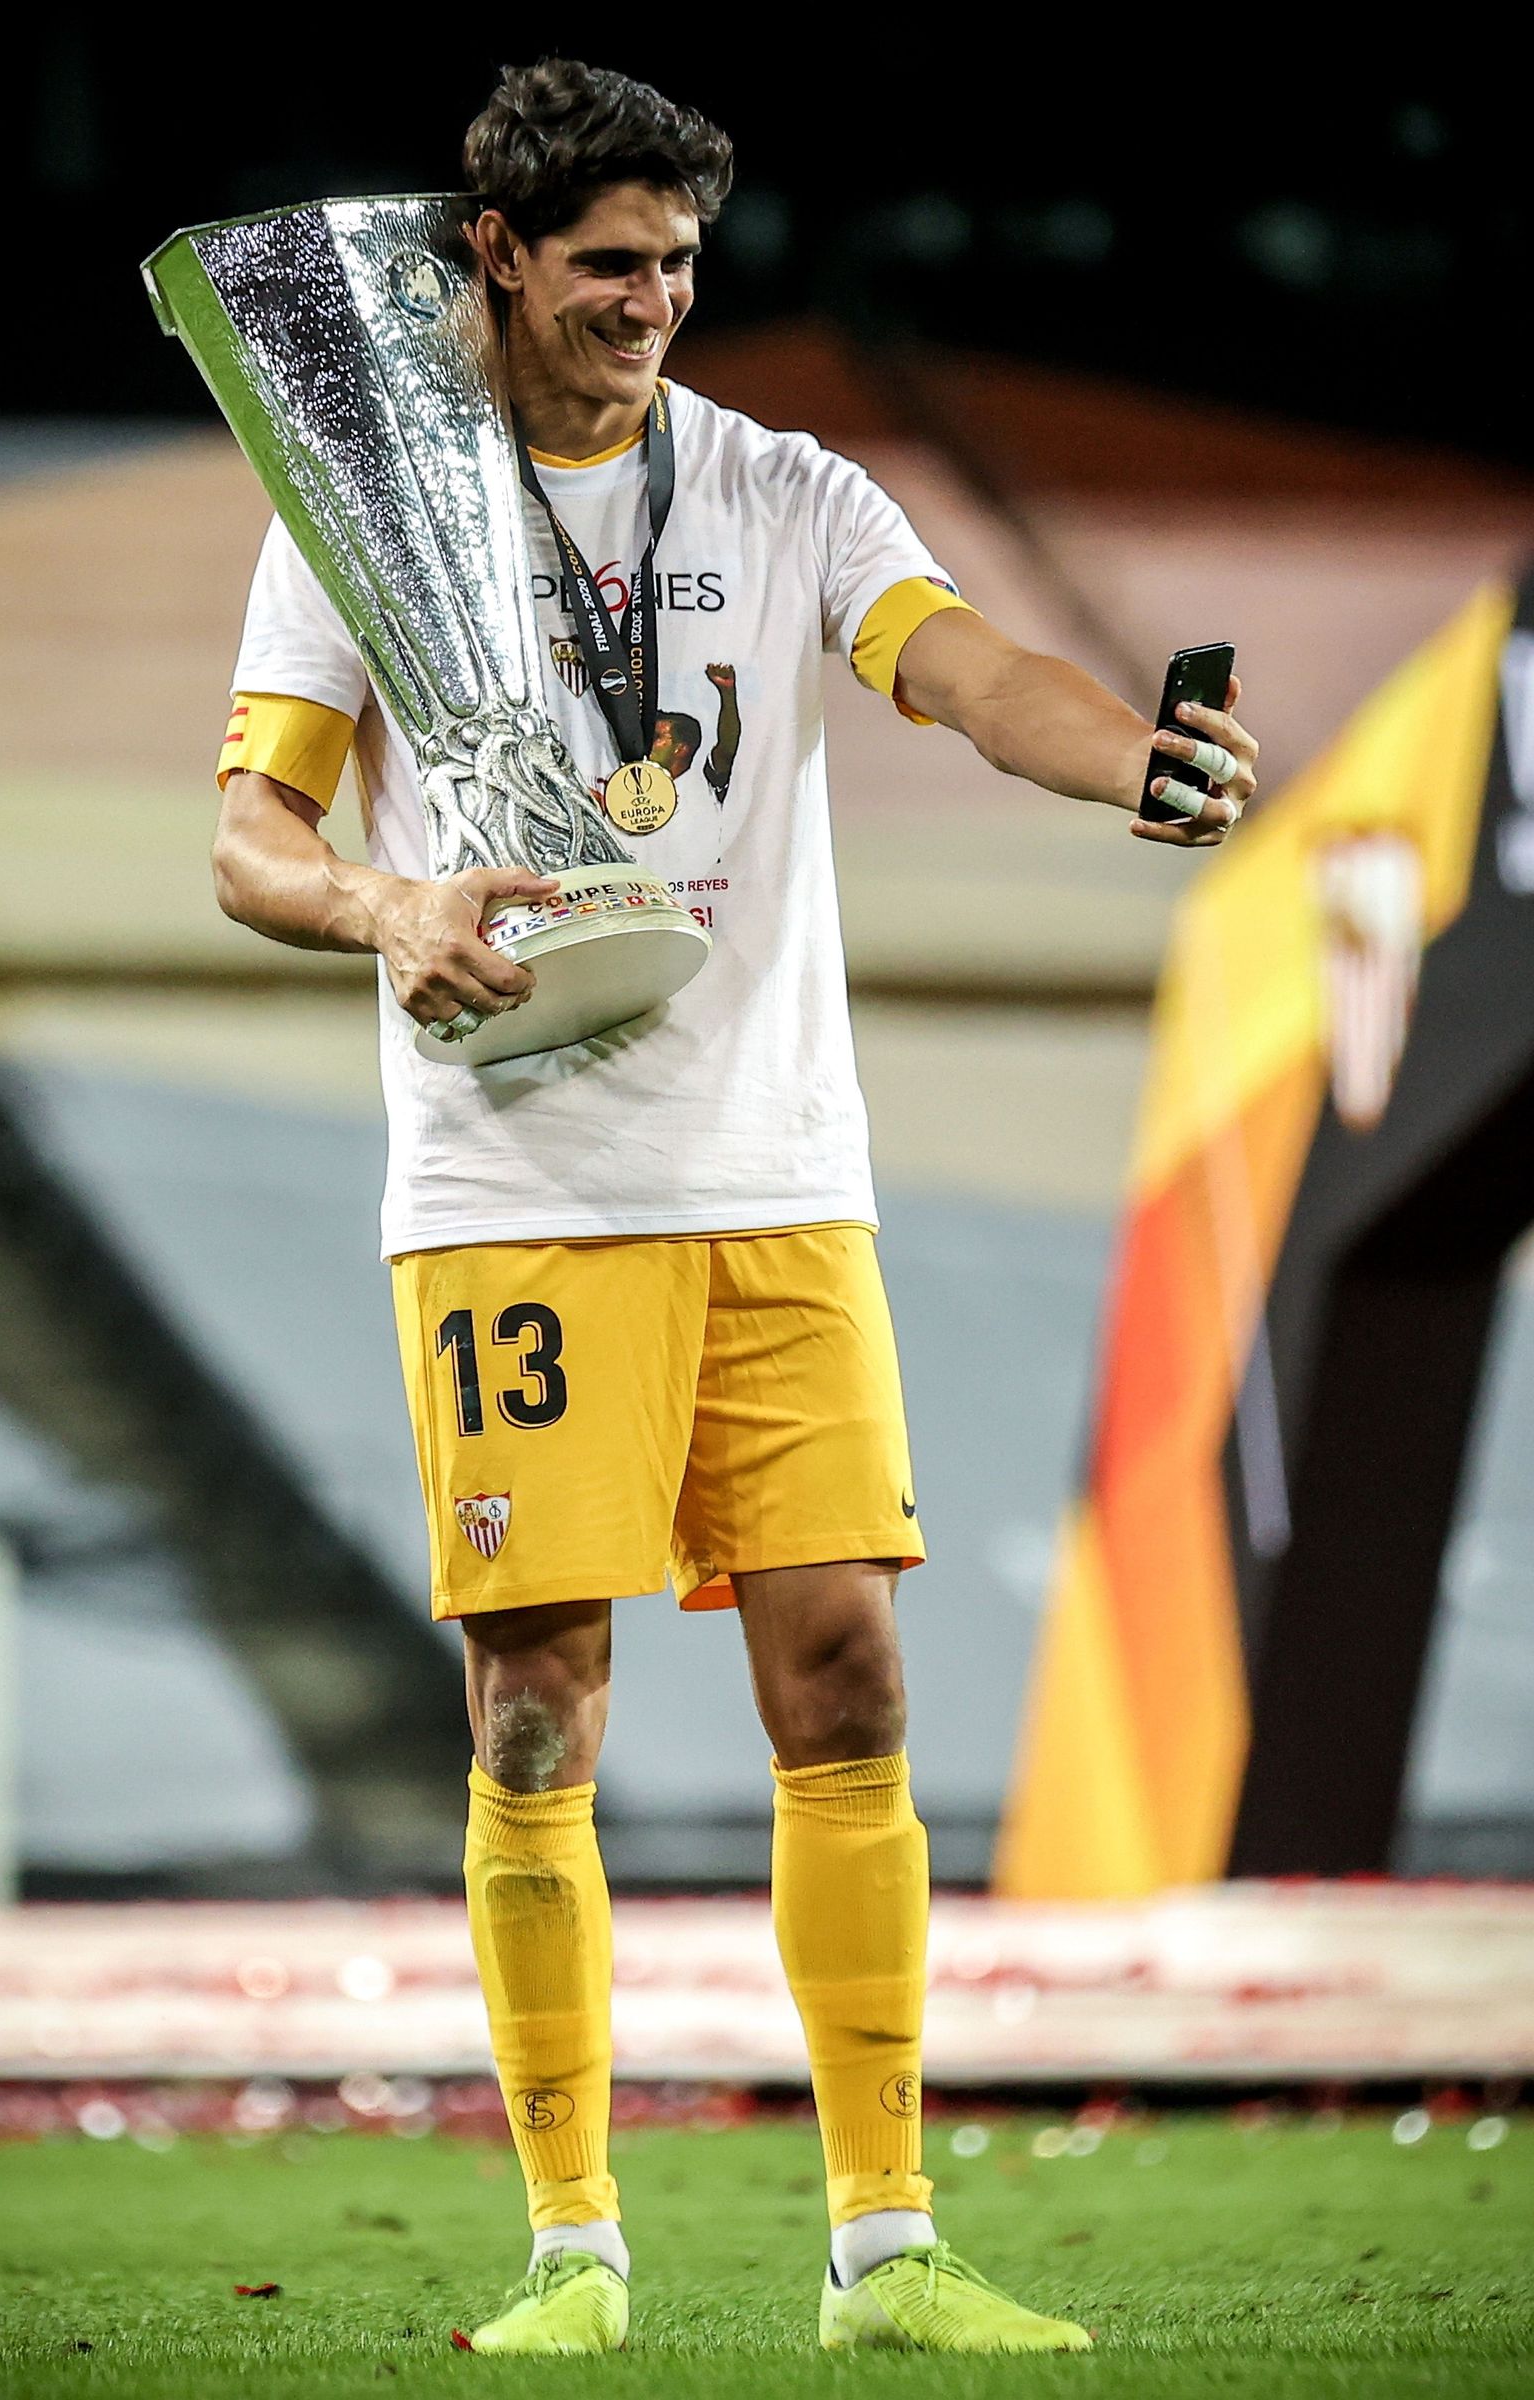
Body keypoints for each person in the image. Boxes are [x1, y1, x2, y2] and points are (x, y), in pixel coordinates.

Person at [210, 58, 1257, 2359]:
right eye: (609, 265)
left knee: (849, 1669)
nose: (654, 303)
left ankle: (885, 2248)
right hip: (511, 1182)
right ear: (495, 256)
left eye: (680, 263)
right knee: (534, 1710)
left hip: (779, 1173)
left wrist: (1132, 761)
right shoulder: (360, 516)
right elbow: (247, 842)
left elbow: (962, 674)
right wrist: (388, 904)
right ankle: (572, 2247)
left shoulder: (780, 489)